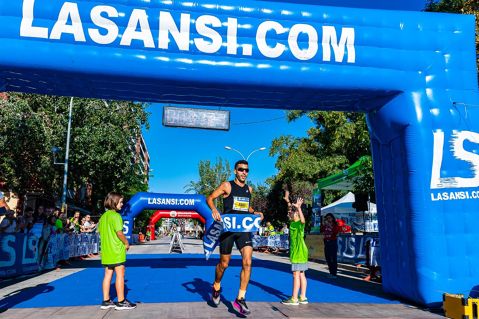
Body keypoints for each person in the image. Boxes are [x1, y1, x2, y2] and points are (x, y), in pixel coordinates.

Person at [207, 159, 263, 315]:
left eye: (246, 170)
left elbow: (246, 207)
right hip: (228, 230)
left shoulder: (249, 189)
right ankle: (216, 285)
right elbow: (210, 198)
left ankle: (240, 298)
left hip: (244, 229)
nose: (244, 172)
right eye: (241, 169)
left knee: (248, 261)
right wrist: (214, 210)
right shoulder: (227, 185)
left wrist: (255, 212)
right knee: (224, 264)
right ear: (235, 171)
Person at [98, 192, 136, 311]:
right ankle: (121, 301)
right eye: (120, 202)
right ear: (114, 202)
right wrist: (126, 242)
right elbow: (119, 233)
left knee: (108, 275)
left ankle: (106, 300)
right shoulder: (116, 216)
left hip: (106, 250)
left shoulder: (103, 217)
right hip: (116, 249)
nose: (122, 204)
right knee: (120, 274)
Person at [281, 197, 309, 306]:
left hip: (299, 252)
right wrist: (287, 201)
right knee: (301, 274)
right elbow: (291, 211)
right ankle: (302, 297)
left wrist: (299, 208)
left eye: (290, 213)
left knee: (296, 274)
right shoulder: (292, 223)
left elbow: (303, 220)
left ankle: (294, 299)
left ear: (296, 214)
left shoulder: (298, 224)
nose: (288, 214)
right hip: (299, 252)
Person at [321, 213, 339, 278]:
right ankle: (331, 272)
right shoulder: (325, 225)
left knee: (333, 258)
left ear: (332, 218)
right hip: (327, 242)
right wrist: (324, 224)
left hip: (333, 242)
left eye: (329, 218)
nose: (328, 219)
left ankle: (334, 273)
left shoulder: (335, 224)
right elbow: (321, 230)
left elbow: (336, 231)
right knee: (328, 258)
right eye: (327, 218)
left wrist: (330, 226)